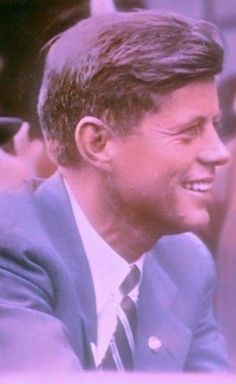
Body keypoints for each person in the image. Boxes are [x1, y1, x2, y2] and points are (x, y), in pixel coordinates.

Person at [0, 10, 231, 374]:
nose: (219, 152)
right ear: (98, 142)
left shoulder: (186, 262)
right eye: (189, 131)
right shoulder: (11, 244)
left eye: (214, 126)